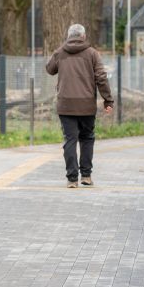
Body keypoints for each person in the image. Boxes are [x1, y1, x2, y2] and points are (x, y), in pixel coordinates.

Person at [45, 24, 113, 188]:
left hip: (66, 104)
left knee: (70, 140)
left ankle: (72, 179)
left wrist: (60, 50)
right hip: (86, 105)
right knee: (87, 138)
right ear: (83, 36)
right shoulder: (92, 53)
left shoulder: (60, 52)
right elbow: (101, 78)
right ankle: (87, 176)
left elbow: (49, 69)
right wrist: (108, 100)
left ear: (69, 37)